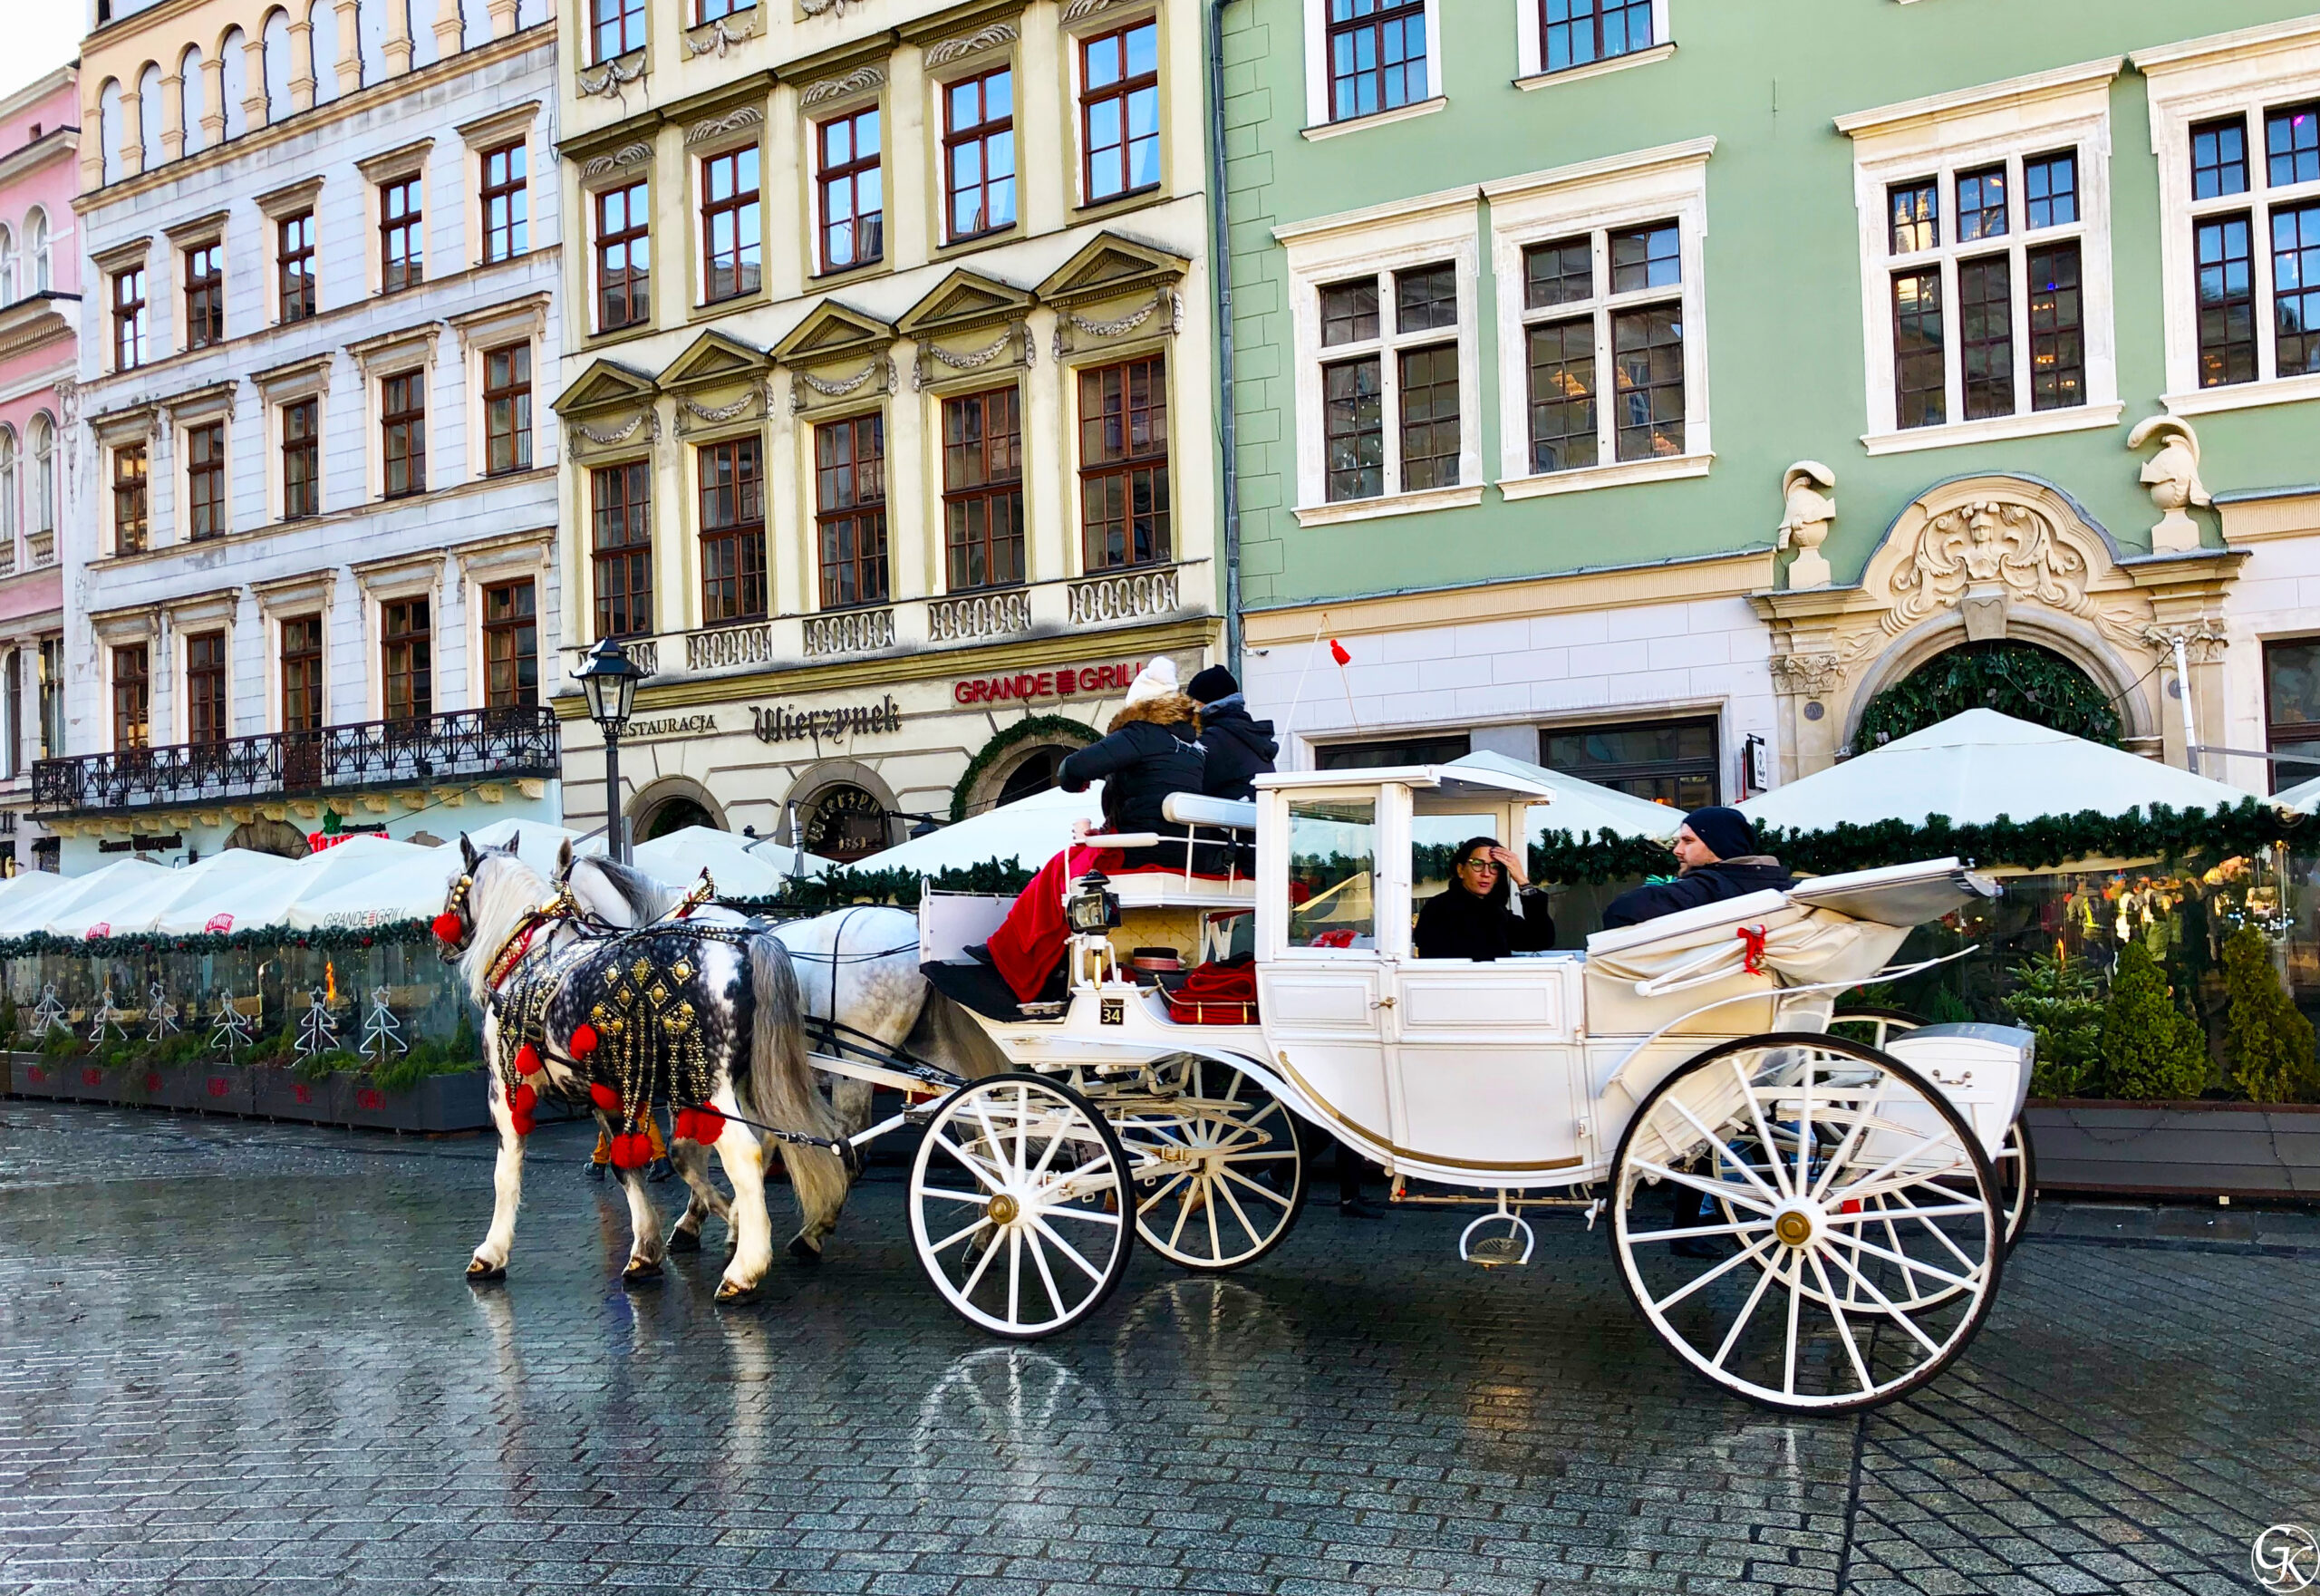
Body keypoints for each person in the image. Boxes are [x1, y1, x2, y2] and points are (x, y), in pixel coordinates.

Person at [976, 661, 1209, 1002]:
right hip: (1183, 851)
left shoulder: (1142, 733)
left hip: (1141, 849)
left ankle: (1010, 957)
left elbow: (1075, 765)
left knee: (1061, 867)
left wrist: (1077, 781)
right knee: (1073, 867)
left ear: (1138, 705)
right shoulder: (1193, 747)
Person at [1600, 807, 1795, 930]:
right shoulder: (1787, 888)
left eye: (1688, 841)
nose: (1677, 850)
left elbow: (1621, 910)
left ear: (1718, 845)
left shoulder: (1706, 889)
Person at [1413, 837, 1555, 960]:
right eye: (1477, 864)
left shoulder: (1494, 911)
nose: (1486, 873)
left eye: (1494, 866)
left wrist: (1522, 881)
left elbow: (1541, 939)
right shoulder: (1438, 908)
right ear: (1460, 870)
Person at [1185, 665, 1278, 800]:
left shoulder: (1215, 740)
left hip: (1228, 818)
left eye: (1194, 703)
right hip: (1256, 815)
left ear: (1204, 704)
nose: (1192, 709)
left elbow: (1191, 786)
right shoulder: (1246, 732)